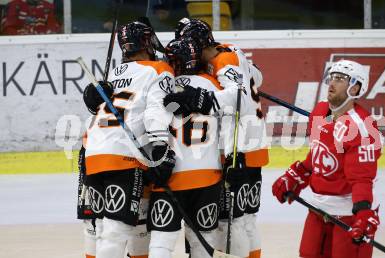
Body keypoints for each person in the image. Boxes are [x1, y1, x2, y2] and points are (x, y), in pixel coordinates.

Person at [164, 18, 268, 258]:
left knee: (236, 221)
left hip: (241, 148)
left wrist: (206, 99)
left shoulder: (222, 60)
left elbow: (239, 96)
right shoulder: (230, 51)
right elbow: (257, 78)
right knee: (245, 219)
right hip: (251, 144)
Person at [81, 18, 175, 258]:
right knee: (115, 231)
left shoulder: (114, 74)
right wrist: (160, 147)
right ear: (146, 43)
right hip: (123, 156)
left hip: (92, 153)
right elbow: (156, 110)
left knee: (101, 227)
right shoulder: (159, 69)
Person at [272, 59, 382, 258]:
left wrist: (363, 213)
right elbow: (319, 153)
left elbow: (362, 178)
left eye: (340, 79)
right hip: (318, 208)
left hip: (348, 213)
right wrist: (298, 174)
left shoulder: (362, 128)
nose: (332, 83)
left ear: (355, 88)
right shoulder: (320, 112)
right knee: (308, 254)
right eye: (332, 77)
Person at [146, 37, 223, 258]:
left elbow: (152, 117)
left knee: (161, 242)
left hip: (171, 174)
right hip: (208, 176)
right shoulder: (213, 84)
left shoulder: (162, 84)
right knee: (203, 244)